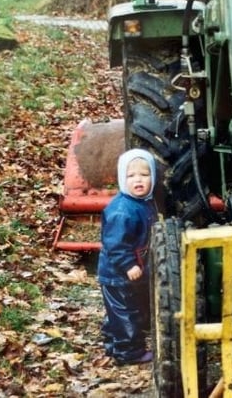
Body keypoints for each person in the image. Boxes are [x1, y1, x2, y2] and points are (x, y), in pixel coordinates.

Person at [97, 148, 157, 365]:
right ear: (123, 179)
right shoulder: (122, 210)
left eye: (144, 174)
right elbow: (115, 244)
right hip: (117, 273)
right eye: (131, 176)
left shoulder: (143, 203)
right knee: (126, 313)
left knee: (120, 310)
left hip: (125, 274)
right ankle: (129, 353)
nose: (138, 180)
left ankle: (113, 343)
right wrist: (128, 265)